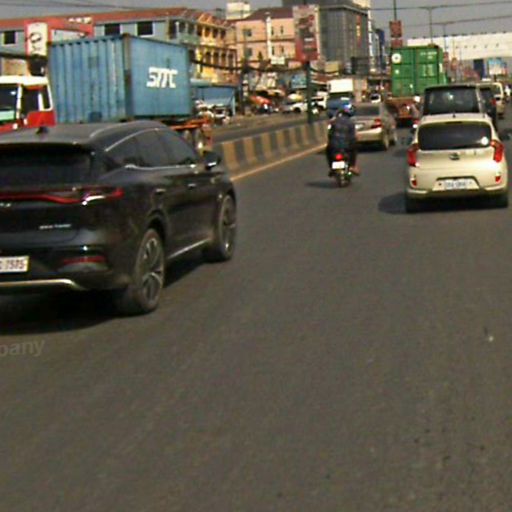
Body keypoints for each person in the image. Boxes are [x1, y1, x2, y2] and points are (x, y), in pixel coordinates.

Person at [326, 104, 359, 176]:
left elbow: (330, 134)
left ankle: (331, 167)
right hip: (347, 145)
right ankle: (352, 166)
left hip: (334, 145)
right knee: (354, 150)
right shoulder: (351, 123)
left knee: (328, 151)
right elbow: (352, 136)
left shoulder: (334, 121)